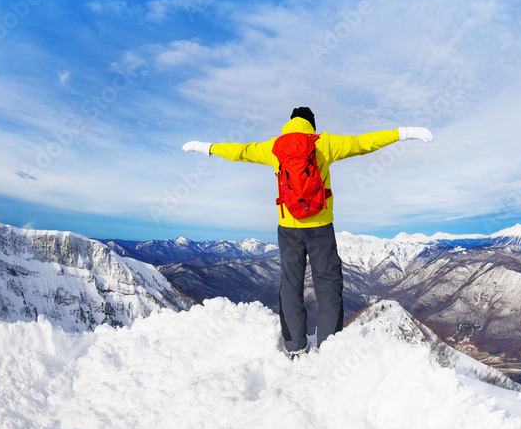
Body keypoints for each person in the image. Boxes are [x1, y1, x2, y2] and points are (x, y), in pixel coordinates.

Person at [182, 107, 433, 358]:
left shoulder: (274, 147)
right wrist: (404, 133)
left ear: (291, 123)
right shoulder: (324, 143)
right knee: (327, 284)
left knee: (291, 285)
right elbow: (364, 143)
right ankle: (329, 345)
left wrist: (207, 147)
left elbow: (241, 152)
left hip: (288, 229)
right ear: (312, 124)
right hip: (321, 226)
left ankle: (295, 346)